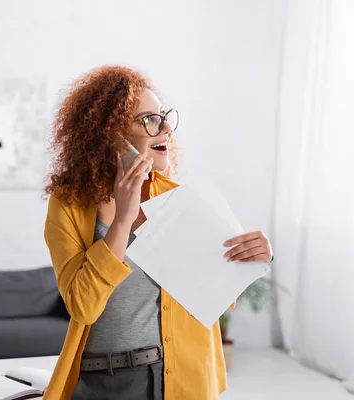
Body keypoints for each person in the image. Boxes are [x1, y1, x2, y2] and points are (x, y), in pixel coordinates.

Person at [42, 65, 273, 400]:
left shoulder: (176, 196)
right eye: (148, 119)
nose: (165, 128)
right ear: (108, 133)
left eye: (164, 116)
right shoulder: (69, 205)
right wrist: (122, 219)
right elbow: (83, 306)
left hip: (179, 377)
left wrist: (256, 256)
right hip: (103, 381)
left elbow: (215, 289)